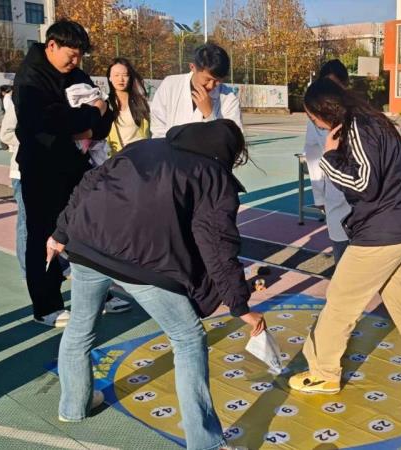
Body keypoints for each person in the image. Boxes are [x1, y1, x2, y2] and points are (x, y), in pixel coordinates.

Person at [51, 119, 264, 450]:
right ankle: (205, 443)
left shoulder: (144, 147)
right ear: (229, 152)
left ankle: (73, 406)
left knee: (80, 327)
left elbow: (89, 183)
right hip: (142, 262)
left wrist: (61, 232)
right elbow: (217, 246)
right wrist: (240, 306)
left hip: (86, 244)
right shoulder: (212, 174)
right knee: (188, 339)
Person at [288, 77, 401, 394]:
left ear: (325, 110)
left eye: (313, 117)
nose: (316, 124)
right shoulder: (372, 122)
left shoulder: (359, 128)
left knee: (341, 301)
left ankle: (323, 372)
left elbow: (364, 184)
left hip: (382, 233)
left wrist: (330, 157)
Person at [13, 19, 115, 327]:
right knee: (43, 236)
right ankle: (46, 306)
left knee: (87, 231)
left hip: (77, 167)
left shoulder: (77, 74)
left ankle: (98, 293)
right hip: (41, 169)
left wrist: (89, 123)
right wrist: (92, 112)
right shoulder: (30, 78)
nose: (76, 61)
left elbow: (105, 117)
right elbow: (48, 122)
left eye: (80, 55)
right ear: (52, 45)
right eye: (71, 54)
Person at [302, 59, 351, 262]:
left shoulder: (358, 115)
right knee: (341, 254)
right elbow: (313, 155)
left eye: (336, 86)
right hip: (335, 196)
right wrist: (319, 197)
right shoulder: (316, 119)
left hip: (363, 205)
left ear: (345, 86)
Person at [150, 43, 241, 138]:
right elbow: (158, 128)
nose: (211, 86)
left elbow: (234, 140)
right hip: (168, 147)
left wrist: (210, 115)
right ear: (193, 67)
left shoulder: (229, 98)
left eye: (217, 81)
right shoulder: (170, 85)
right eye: (207, 79)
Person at [0, 86, 26, 279]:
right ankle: (28, 270)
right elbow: (6, 134)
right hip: (22, 173)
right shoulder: (19, 102)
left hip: (51, 172)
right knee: (26, 222)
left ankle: (58, 264)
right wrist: (35, 138)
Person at [106, 57, 151, 153]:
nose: (121, 79)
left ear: (130, 77)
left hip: (141, 155)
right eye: (116, 75)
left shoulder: (141, 102)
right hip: (116, 157)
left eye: (125, 75)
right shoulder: (106, 103)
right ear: (110, 78)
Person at [0, 85, 12, 149]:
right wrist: (4, 119)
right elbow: (0, 111)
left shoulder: (3, 99)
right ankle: (4, 145)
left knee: (4, 132)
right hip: (2, 119)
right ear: (3, 92)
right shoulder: (0, 100)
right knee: (3, 132)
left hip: (2, 118)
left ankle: (5, 145)